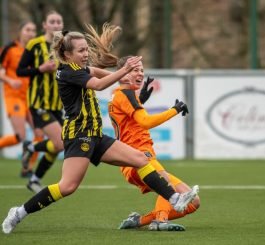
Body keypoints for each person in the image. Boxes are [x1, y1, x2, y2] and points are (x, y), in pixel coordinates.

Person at [2, 23, 199, 234]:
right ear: (67, 54)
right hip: (79, 136)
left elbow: (96, 72)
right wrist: (124, 71)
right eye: (81, 50)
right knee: (67, 187)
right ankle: (19, 212)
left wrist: (124, 77)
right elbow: (98, 84)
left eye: (87, 49)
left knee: (141, 159)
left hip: (95, 135)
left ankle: (174, 198)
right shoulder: (67, 71)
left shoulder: (79, 68)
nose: (86, 54)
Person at [108, 56, 200, 231]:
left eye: (142, 70)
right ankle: (160, 222)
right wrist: (175, 110)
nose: (140, 73)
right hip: (138, 158)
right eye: (135, 69)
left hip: (134, 159)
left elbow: (131, 122)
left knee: (193, 202)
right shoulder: (124, 94)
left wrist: (141, 99)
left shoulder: (122, 95)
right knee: (168, 187)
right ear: (123, 74)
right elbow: (145, 122)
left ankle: (139, 221)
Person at [16, 11, 64, 192]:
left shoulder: (64, 46)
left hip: (57, 105)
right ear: (44, 25)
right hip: (39, 102)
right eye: (52, 22)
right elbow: (20, 71)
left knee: (61, 145)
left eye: (59, 22)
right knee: (59, 143)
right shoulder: (35, 44)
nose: (56, 25)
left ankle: (34, 179)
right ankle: (32, 146)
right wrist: (40, 69)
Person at [0, 20, 43, 177]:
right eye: (27, 29)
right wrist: (11, 81)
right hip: (14, 97)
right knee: (21, 136)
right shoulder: (10, 49)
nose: (31, 33)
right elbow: (1, 71)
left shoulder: (36, 50)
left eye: (33, 30)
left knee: (39, 133)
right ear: (20, 32)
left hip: (31, 98)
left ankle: (27, 169)